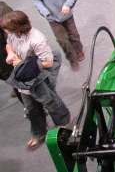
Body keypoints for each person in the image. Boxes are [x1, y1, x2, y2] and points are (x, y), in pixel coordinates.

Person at [1, 10, 72, 151]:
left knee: (50, 101)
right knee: (31, 107)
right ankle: (39, 132)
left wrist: (22, 62)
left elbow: (48, 62)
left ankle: (63, 121)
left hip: (38, 77)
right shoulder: (13, 34)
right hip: (23, 77)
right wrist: (10, 53)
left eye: (6, 28)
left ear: (18, 28)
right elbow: (8, 42)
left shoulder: (37, 39)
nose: (4, 30)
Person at [31, 0, 83, 69]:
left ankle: (78, 50)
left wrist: (67, 5)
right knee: (63, 40)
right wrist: (45, 11)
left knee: (74, 35)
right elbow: (36, 0)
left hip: (67, 16)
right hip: (53, 19)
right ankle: (72, 59)